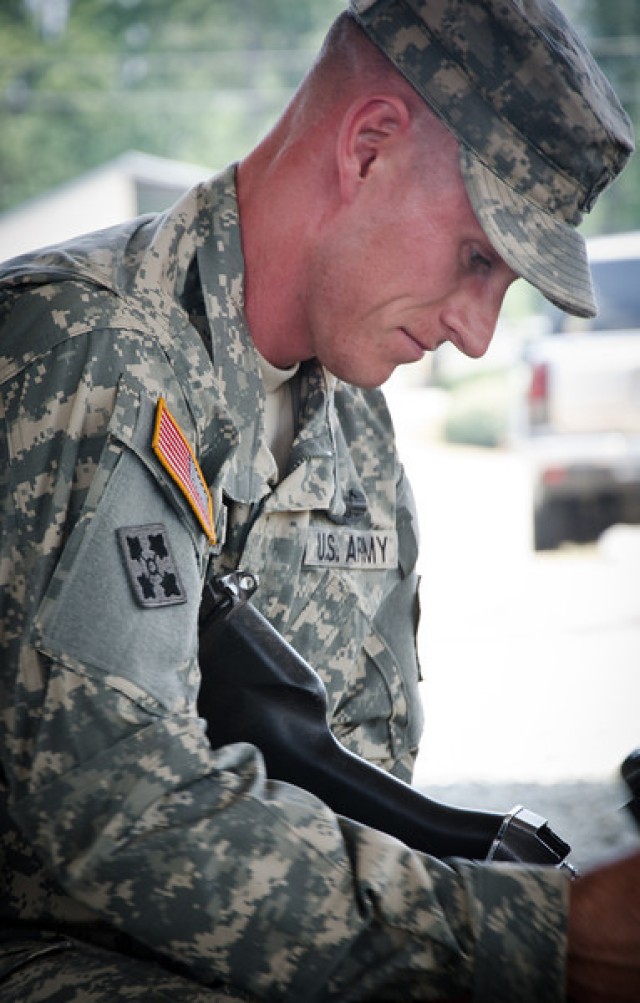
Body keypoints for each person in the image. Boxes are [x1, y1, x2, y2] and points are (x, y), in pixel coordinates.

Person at [0, 0, 638, 999]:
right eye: (477, 258)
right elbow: (112, 804)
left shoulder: (354, 425)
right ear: (370, 145)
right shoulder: (85, 349)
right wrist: (537, 937)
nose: (478, 334)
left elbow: (363, 787)